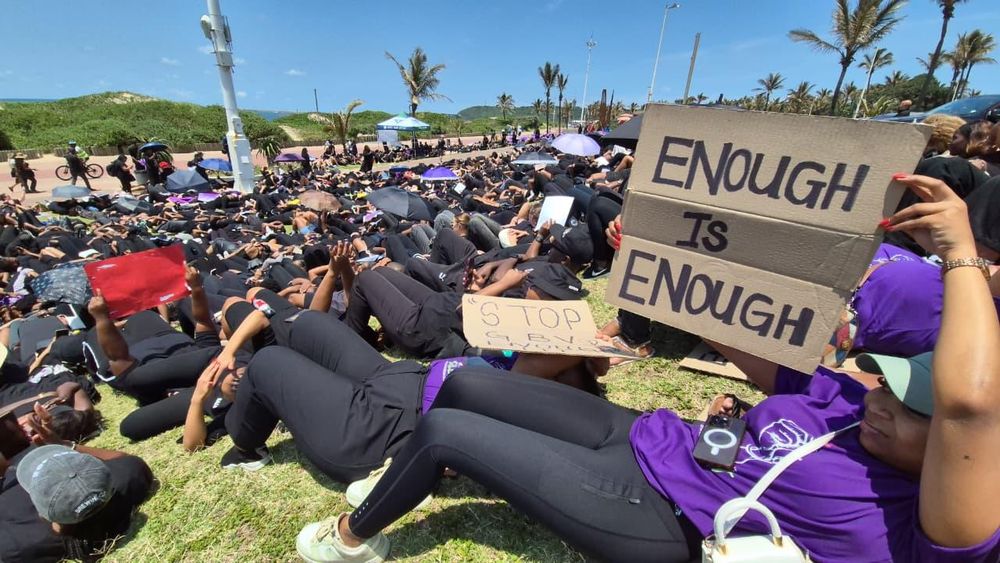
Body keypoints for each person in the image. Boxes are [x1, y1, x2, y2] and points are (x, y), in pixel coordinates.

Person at [294, 174, 1000, 563]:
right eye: (892, 387)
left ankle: (350, 540)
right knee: (470, 383)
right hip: (651, 438)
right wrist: (653, 261)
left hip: (669, 518)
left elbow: (970, 405)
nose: (883, 403)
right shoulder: (845, 400)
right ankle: (414, 469)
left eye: (916, 410)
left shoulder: (935, 531)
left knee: (447, 430)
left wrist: (961, 254)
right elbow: (727, 331)